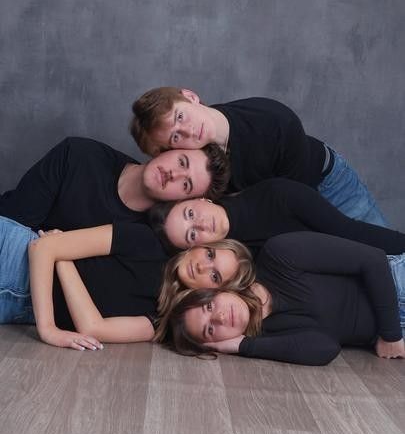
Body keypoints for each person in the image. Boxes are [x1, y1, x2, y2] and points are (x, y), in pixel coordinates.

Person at [130, 87, 388, 226]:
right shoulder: (195, 161)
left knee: (387, 254)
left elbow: (294, 207)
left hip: (328, 184)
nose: (186, 131)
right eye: (176, 137)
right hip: (281, 210)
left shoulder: (274, 123)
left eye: (180, 117)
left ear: (190, 96)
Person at [156, 232, 405, 366]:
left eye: (209, 306)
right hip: (391, 335)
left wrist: (391, 334)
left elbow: (373, 260)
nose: (220, 317)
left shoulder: (279, 255)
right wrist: (243, 346)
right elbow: (326, 348)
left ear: (219, 289)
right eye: (210, 329)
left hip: (394, 283)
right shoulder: (267, 335)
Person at [0, 215, 167, 349]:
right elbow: (41, 247)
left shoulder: (158, 323)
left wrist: (62, 259)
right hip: (14, 256)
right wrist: (48, 329)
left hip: (20, 310)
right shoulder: (147, 242)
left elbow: (92, 328)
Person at [0, 135, 230, 232]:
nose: (174, 175)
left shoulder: (146, 235)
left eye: (186, 185)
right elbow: (12, 227)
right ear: (170, 148)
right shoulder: (79, 155)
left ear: (182, 201)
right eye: (182, 161)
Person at [147, 177, 405, 259]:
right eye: (192, 235)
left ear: (199, 198)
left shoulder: (278, 196)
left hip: (364, 249)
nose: (201, 224)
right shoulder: (233, 261)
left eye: (190, 214)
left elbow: (350, 235)